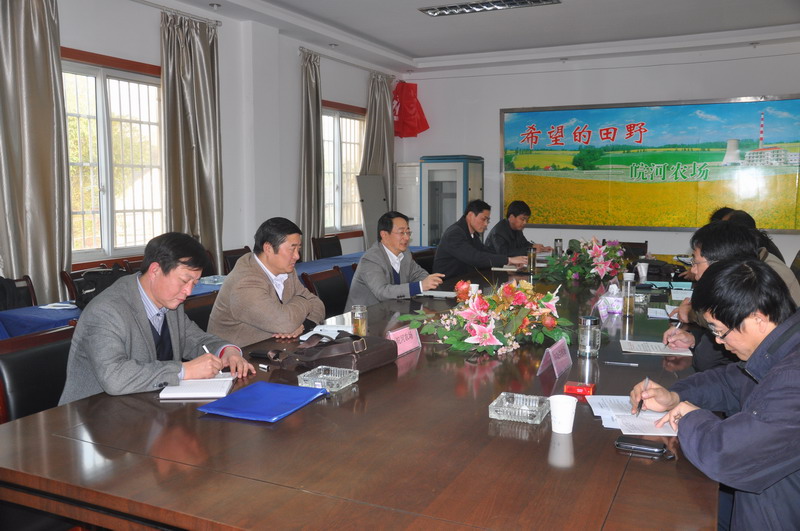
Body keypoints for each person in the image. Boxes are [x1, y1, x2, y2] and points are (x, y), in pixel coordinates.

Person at [630, 259, 800, 530]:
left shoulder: (793, 379)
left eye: (720, 331)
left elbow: (727, 457)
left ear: (758, 318)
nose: (718, 341)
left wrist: (690, 417)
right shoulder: (782, 345)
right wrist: (674, 397)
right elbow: (730, 381)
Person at [59, 232, 254, 404]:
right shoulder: (106, 310)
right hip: (91, 418)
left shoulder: (170, 302)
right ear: (155, 271)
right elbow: (114, 377)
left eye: (194, 283)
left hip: (145, 408)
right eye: (184, 281)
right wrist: (183, 371)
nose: (188, 291)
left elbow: (196, 340)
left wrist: (227, 351)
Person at [664, 221, 800, 371]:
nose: (693, 270)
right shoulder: (748, 275)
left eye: (695, 263)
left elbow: (707, 360)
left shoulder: (756, 284)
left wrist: (692, 315)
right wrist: (693, 339)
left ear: (720, 263)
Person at [208, 217, 325, 346]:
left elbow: (318, 305)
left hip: (276, 347)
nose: (297, 256)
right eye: (292, 249)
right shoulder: (245, 282)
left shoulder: (286, 271)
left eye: (298, 249)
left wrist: (303, 325)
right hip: (238, 354)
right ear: (268, 248)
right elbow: (286, 323)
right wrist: (303, 300)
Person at [346, 211, 445, 307]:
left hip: (394, 311)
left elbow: (420, 274)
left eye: (408, 232)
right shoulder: (371, 259)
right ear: (384, 235)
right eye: (401, 232)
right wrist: (419, 286)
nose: (407, 238)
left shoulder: (405, 253)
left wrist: (429, 282)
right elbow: (382, 292)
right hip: (365, 315)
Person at [433, 199, 527, 279]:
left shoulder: (472, 234)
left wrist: (509, 263)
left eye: (487, 220)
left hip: (465, 279)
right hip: (447, 284)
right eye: (483, 219)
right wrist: (508, 260)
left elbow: (484, 252)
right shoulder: (454, 233)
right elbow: (474, 257)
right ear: (470, 215)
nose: (486, 224)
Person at [485, 200, 551, 256]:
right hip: (494, 266)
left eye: (526, 220)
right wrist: (531, 250)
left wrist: (540, 248)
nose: (525, 223)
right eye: (522, 219)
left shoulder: (517, 228)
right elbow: (505, 253)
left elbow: (524, 244)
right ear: (511, 217)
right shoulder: (498, 232)